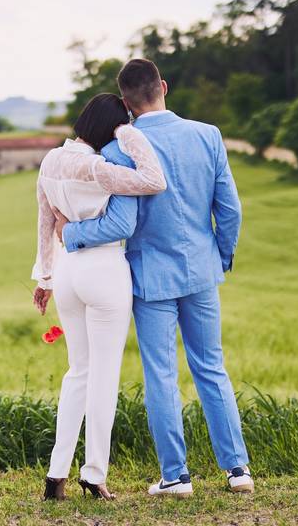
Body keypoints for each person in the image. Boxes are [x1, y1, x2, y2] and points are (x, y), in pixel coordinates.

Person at [53, 59, 253, 497]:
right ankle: (237, 470)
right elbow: (231, 210)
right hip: (201, 270)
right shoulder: (208, 135)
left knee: (161, 375)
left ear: (125, 103)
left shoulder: (118, 151)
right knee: (211, 367)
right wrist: (219, 257)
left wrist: (71, 233)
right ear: (163, 86)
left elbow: (118, 224)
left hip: (150, 278)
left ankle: (176, 477)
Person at [31, 93, 167, 501]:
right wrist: (130, 135)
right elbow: (154, 180)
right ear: (111, 128)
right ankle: (93, 474)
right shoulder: (99, 167)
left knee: (78, 372)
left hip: (68, 270)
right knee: (103, 377)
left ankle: (56, 475)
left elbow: (44, 220)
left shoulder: (50, 161)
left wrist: (45, 277)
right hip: (104, 268)